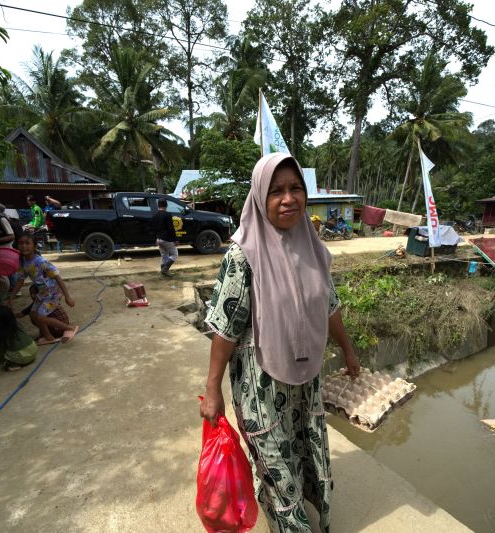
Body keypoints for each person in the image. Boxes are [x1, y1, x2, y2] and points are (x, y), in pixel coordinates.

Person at [200, 153, 360, 533]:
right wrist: (212, 389)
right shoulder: (243, 256)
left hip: (306, 381)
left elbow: (329, 305)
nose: (288, 199)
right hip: (262, 389)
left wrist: (349, 351)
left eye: (295, 189)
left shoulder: (314, 248)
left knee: (306, 453)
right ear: (259, 197)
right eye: (276, 191)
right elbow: (225, 329)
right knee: (278, 473)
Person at [8, 233, 78, 345]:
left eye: (27, 243)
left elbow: (57, 278)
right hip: (42, 293)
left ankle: (69, 328)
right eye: (21, 243)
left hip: (52, 294)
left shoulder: (41, 262)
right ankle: (48, 337)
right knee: (33, 314)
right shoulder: (23, 262)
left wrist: (67, 296)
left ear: (34, 246)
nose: (24, 246)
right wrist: (11, 297)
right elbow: (20, 280)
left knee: (40, 316)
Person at [0, 305, 38, 371]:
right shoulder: (16, 327)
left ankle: (12, 364)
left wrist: (2, 361)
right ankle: (28, 359)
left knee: (4, 358)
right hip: (34, 349)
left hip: (22, 357)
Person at [153, 198, 178, 276]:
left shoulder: (155, 215)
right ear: (166, 205)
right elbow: (171, 228)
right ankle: (165, 269)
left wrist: (156, 239)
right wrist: (175, 239)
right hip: (166, 239)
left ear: (158, 205)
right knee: (174, 254)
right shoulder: (167, 215)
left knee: (164, 255)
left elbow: (154, 228)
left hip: (159, 239)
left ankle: (164, 272)